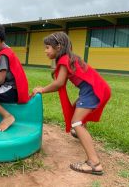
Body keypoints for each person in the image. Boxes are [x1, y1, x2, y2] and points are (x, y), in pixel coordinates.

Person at [31, 32, 111, 175]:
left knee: (76, 122)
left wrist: (41, 89)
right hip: (94, 88)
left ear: (58, 47)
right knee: (76, 111)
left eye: (48, 47)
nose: (45, 51)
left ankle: (94, 163)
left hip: (93, 90)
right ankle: (78, 132)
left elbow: (59, 83)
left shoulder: (63, 60)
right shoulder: (70, 58)